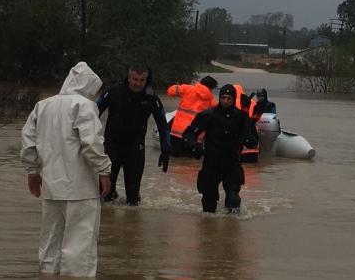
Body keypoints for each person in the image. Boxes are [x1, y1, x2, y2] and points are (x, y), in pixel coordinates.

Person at [20, 62, 112, 278]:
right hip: (81, 188)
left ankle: (48, 274)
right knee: (80, 245)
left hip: (51, 187)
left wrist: (33, 171)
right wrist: (104, 171)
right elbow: (91, 143)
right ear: (89, 86)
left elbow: (28, 142)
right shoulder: (85, 106)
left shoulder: (42, 106)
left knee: (50, 242)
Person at [97, 64, 170, 206]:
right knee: (104, 195)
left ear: (146, 79)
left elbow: (163, 125)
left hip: (135, 149)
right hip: (112, 147)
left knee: (133, 199)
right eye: (135, 79)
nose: (138, 83)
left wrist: (166, 151)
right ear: (128, 77)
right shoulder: (113, 92)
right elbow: (92, 116)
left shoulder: (151, 98)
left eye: (142, 80)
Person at [183, 84, 257, 213]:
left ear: (234, 99)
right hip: (211, 163)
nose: (226, 101)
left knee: (233, 200)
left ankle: (231, 229)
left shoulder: (241, 117)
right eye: (223, 97)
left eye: (229, 98)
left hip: (232, 163)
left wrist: (248, 138)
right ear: (219, 98)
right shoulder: (209, 115)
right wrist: (195, 146)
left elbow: (251, 141)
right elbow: (188, 134)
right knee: (209, 204)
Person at [166, 75, 218, 156]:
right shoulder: (211, 100)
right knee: (190, 161)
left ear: (201, 82)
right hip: (193, 137)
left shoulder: (187, 89)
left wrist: (176, 86)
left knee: (174, 160)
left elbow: (170, 91)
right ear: (211, 88)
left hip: (176, 132)